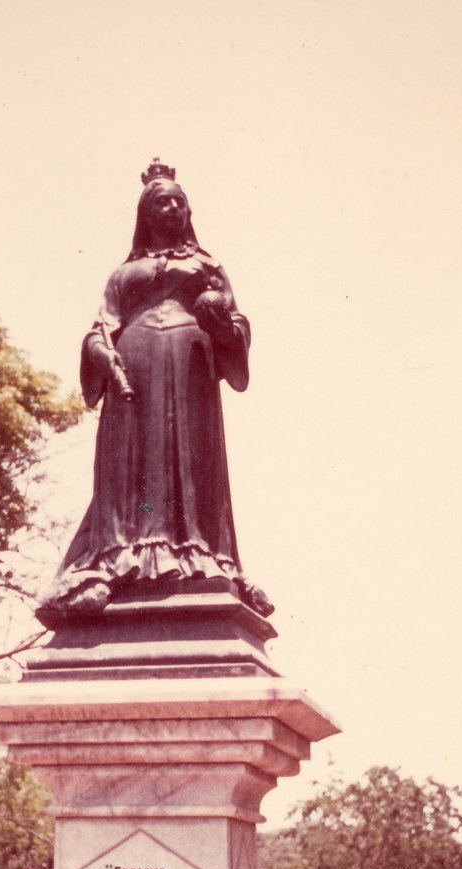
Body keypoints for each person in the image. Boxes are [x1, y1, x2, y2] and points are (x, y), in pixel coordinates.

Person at [40, 159, 273, 617]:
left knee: (190, 456)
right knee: (136, 463)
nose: (173, 208)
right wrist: (101, 353)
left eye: (179, 202)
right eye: (163, 202)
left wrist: (222, 326)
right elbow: (101, 327)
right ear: (146, 213)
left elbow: (236, 322)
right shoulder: (122, 274)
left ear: (189, 211)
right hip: (136, 365)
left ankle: (199, 551)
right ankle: (127, 553)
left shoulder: (208, 267)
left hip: (191, 367)